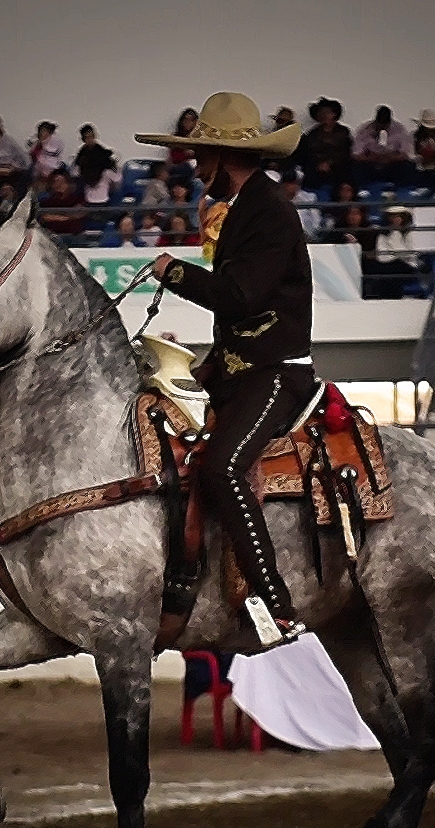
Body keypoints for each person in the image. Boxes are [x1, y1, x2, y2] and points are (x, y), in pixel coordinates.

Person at [139, 92, 312, 644]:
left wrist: (175, 273)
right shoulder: (250, 208)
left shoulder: (269, 212)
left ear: (220, 156)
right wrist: (211, 367)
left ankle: (275, 606)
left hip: (277, 374)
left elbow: (239, 296)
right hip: (246, 373)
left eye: (200, 157)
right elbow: (249, 314)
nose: (195, 168)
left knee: (224, 469)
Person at [295, 97, 352, 193]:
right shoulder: (311, 134)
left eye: (327, 112)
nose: (324, 115)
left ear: (335, 114)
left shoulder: (343, 132)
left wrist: (329, 163)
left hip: (337, 166)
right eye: (321, 113)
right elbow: (307, 152)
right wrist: (318, 163)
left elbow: (344, 152)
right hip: (316, 167)